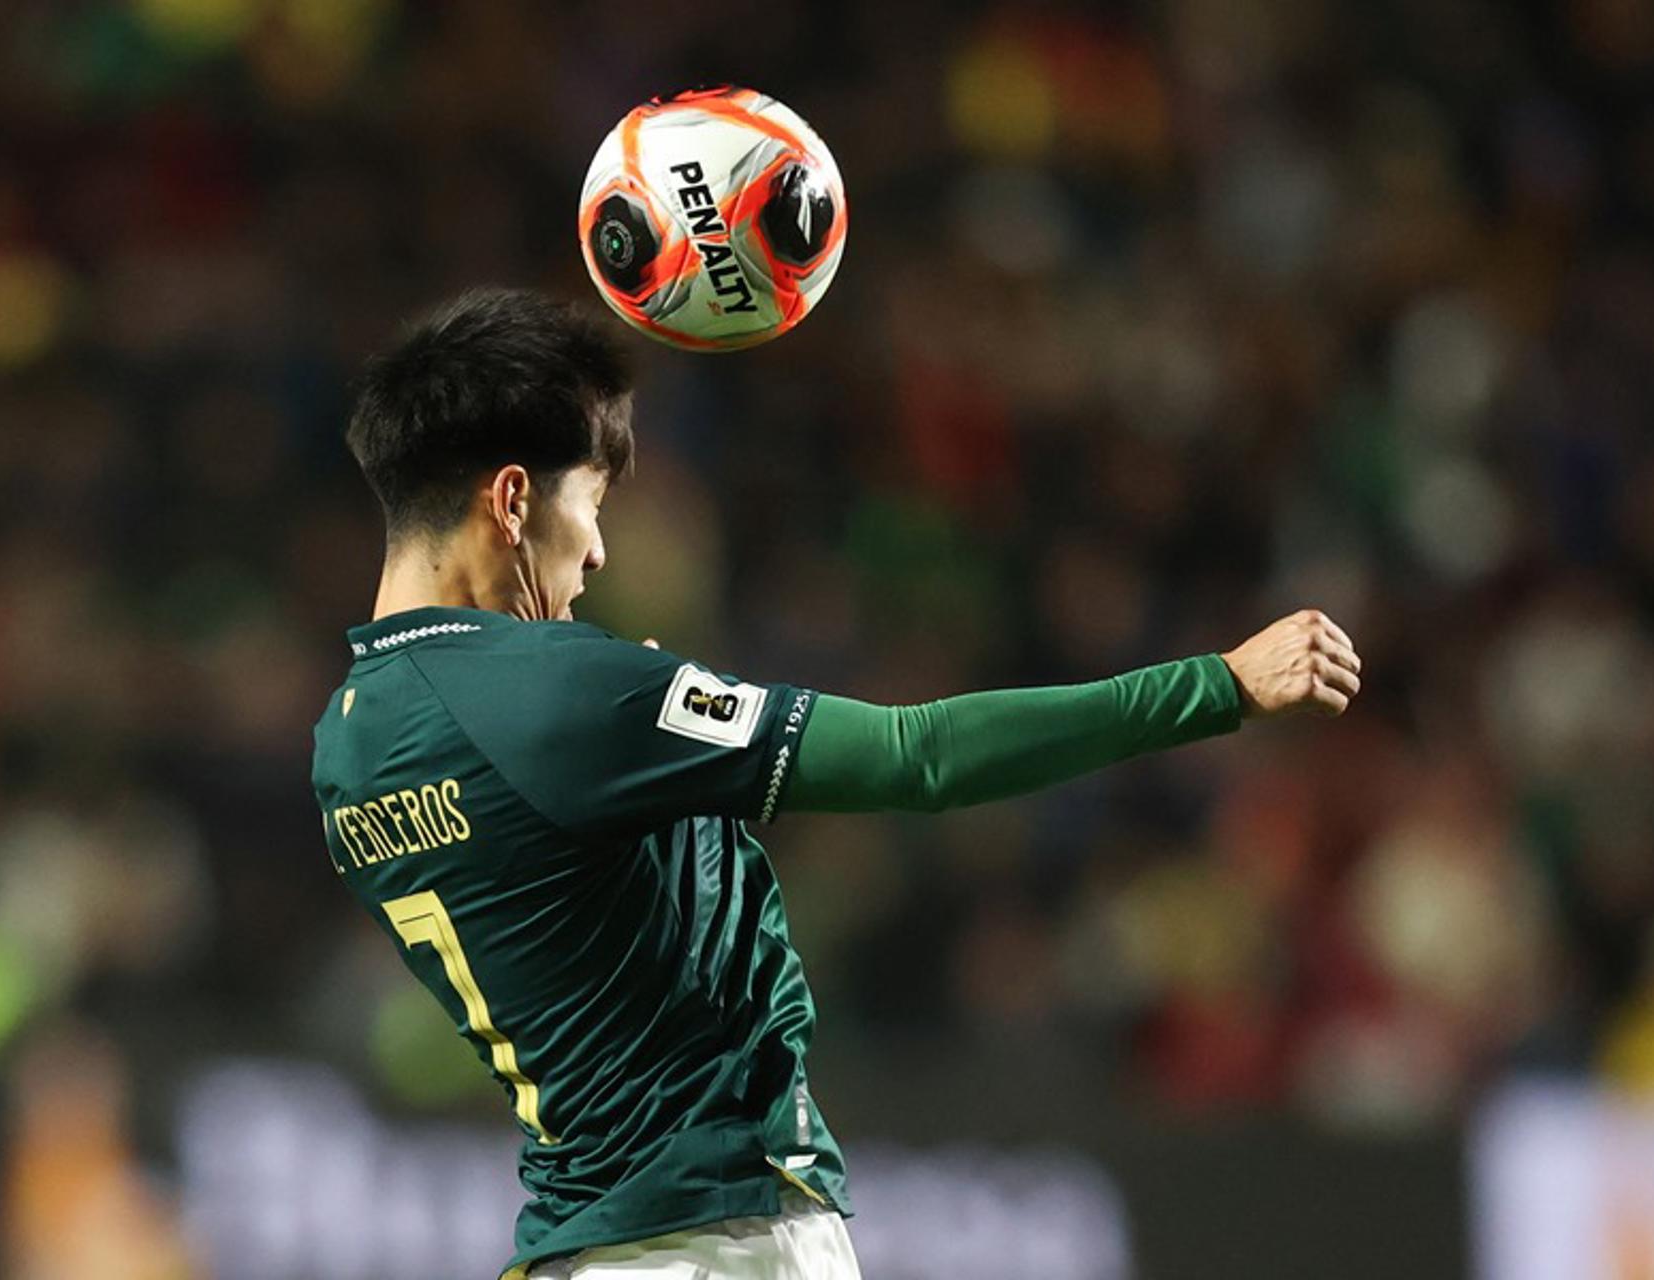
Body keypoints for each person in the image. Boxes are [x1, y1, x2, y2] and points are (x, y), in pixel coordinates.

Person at [310, 288, 1363, 1280]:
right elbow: (920, 754)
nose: (595, 555)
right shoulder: (557, 693)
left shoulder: (346, 745)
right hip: (716, 1236)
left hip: (580, 1243)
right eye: (592, 503)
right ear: (510, 500)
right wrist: (1218, 682)